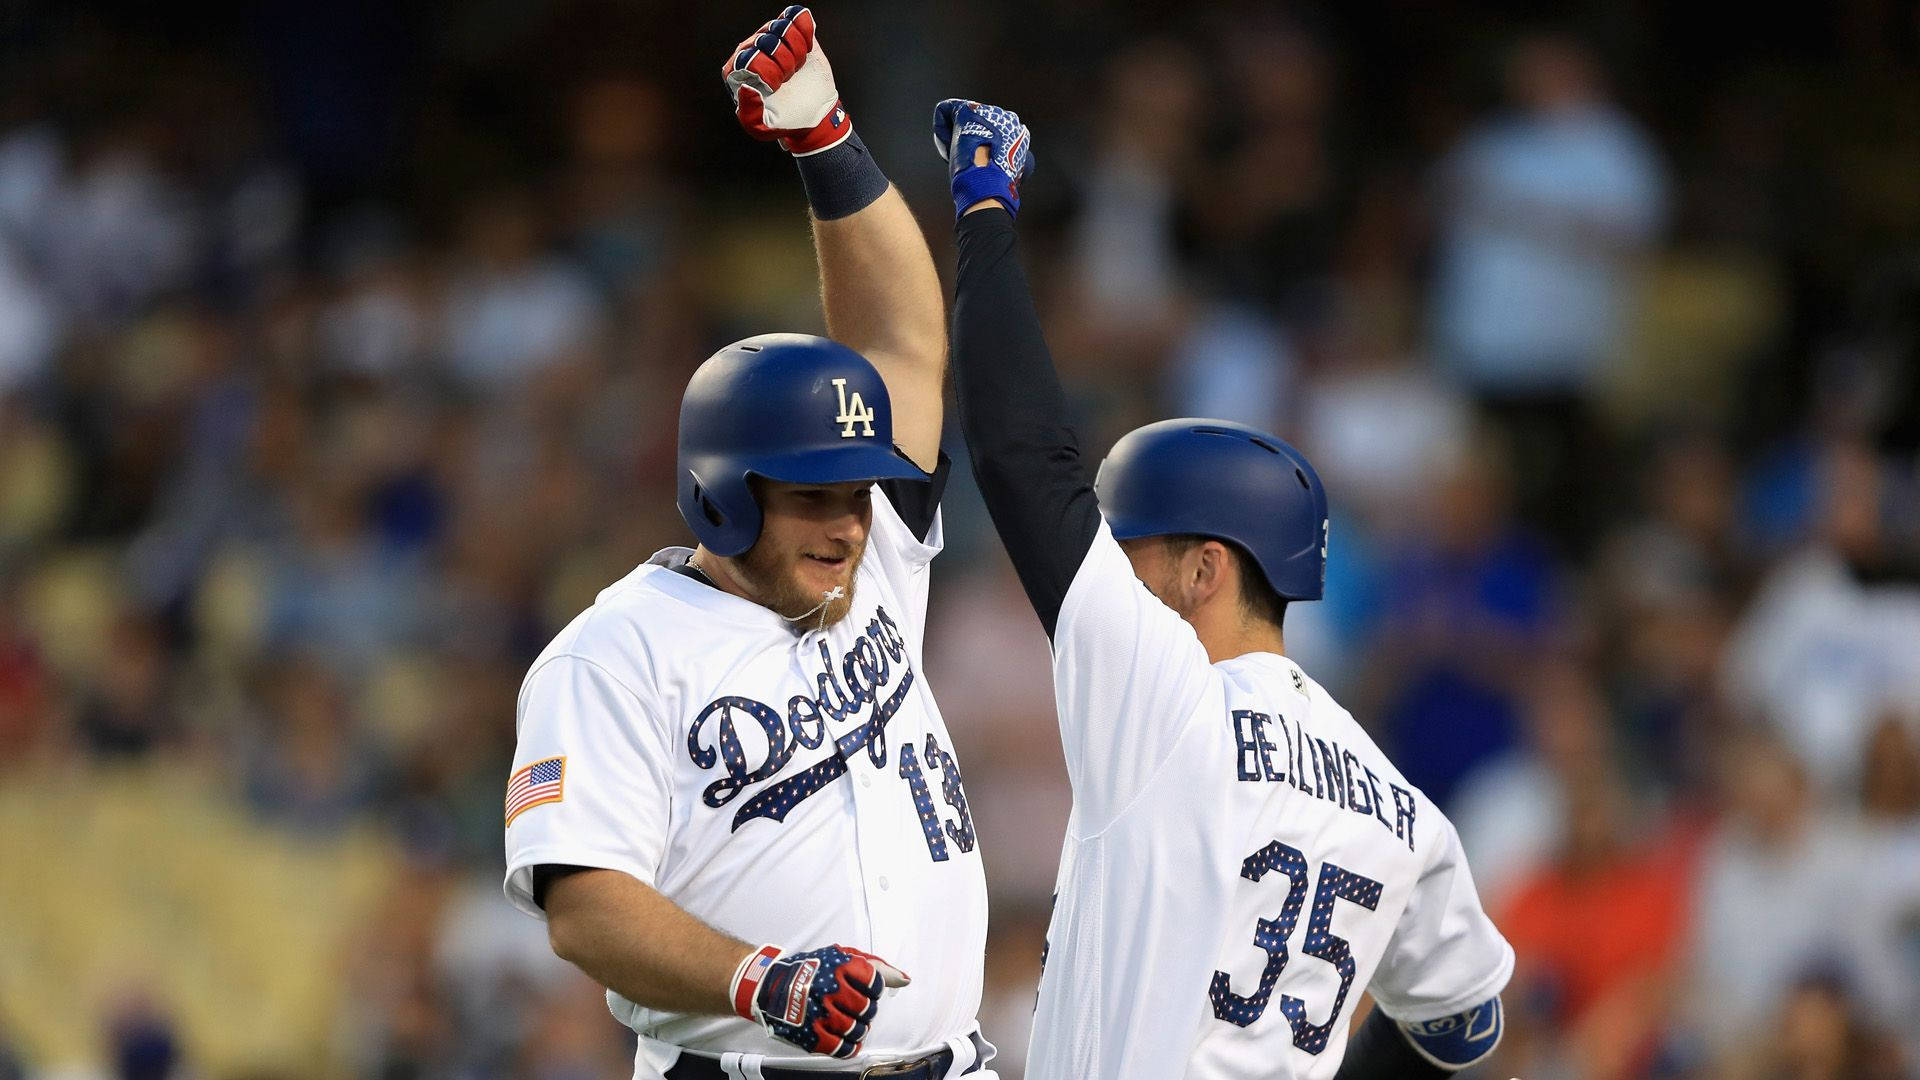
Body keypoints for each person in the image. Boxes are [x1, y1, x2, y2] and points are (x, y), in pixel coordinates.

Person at [936, 97, 1513, 1079]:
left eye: (1134, 547)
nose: (1109, 568)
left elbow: (1017, 451)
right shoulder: (1400, 807)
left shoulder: (1163, 699)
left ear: (1206, 568)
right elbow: (1466, 1025)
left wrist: (986, 202)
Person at [502, 10, 993, 1079]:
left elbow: (903, 342)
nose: (852, 521)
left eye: (858, 492)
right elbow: (582, 907)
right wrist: (757, 979)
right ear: (722, 496)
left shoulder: (876, 572)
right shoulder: (614, 653)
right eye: (814, 496)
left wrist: (825, 138)